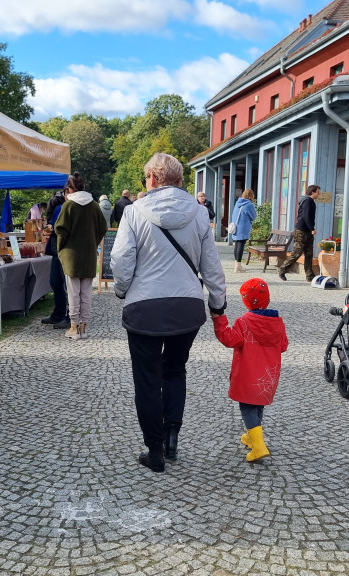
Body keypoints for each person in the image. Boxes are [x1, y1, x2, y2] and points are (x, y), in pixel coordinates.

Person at [111, 152, 227, 473]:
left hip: (144, 308)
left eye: (146, 177)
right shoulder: (200, 214)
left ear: (153, 178)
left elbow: (121, 262)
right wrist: (217, 305)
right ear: (178, 180)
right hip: (186, 308)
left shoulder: (133, 213)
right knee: (175, 369)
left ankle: (155, 450)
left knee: (147, 379)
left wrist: (123, 290)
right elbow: (212, 267)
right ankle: (172, 436)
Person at [212, 278, 288, 462]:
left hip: (247, 376)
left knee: (247, 408)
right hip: (267, 377)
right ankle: (251, 436)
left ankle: (259, 447)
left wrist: (218, 318)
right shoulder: (277, 322)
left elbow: (229, 339)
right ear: (267, 299)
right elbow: (283, 345)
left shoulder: (244, 322)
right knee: (257, 405)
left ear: (245, 301)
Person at [55, 172, 108, 340]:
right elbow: (103, 228)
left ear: (69, 189)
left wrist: (61, 248)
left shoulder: (68, 206)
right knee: (86, 293)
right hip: (89, 254)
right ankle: (84, 327)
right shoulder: (94, 206)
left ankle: (74, 327)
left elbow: (60, 230)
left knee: (73, 292)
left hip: (71, 254)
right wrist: (93, 242)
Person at [40, 189, 71, 330]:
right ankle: (58, 313)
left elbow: (61, 229)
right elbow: (54, 227)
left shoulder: (72, 208)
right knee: (55, 282)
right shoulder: (59, 207)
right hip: (55, 250)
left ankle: (70, 316)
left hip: (66, 251)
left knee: (68, 285)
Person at [277, 184, 320, 282]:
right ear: (312, 192)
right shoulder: (307, 201)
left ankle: (310, 276)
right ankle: (282, 269)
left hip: (307, 231)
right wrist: (312, 228)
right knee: (297, 253)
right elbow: (306, 216)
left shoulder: (309, 201)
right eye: (318, 192)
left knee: (309, 254)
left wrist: (310, 229)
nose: (319, 194)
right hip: (302, 231)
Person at [228, 189, 257, 273]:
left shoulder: (238, 203)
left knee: (237, 245)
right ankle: (238, 266)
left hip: (236, 226)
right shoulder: (249, 205)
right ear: (251, 195)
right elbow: (254, 217)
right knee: (240, 245)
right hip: (243, 227)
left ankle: (236, 264)